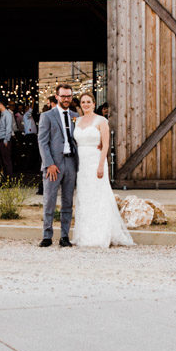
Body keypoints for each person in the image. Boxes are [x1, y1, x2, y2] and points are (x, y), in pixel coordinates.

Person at [72, 91, 133, 248]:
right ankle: (84, 234)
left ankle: (100, 235)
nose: (86, 104)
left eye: (88, 102)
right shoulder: (77, 121)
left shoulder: (101, 121)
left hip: (95, 160)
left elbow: (105, 144)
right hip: (81, 163)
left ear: (93, 103)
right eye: (83, 102)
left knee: (98, 196)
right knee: (84, 197)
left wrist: (101, 165)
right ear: (80, 104)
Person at [37, 83, 78, 247]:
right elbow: (42, 142)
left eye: (69, 96)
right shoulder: (47, 116)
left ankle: (65, 236)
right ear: (57, 96)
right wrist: (49, 164)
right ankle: (47, 235)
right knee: (49, 200)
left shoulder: (76, 116)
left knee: (68, 202)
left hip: (71, 163)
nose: (66, 99)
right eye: (63, 96)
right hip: (53, 165)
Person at [0, 97, 15, 177]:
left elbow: (9, 128)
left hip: (4, 140)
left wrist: (6, 140)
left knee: (6, 160)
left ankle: (9, 179)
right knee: (3, 160)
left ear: (0, 105)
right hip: (1, 139)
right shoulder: (2, 114)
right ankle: (6, 178)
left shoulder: (7, 114)